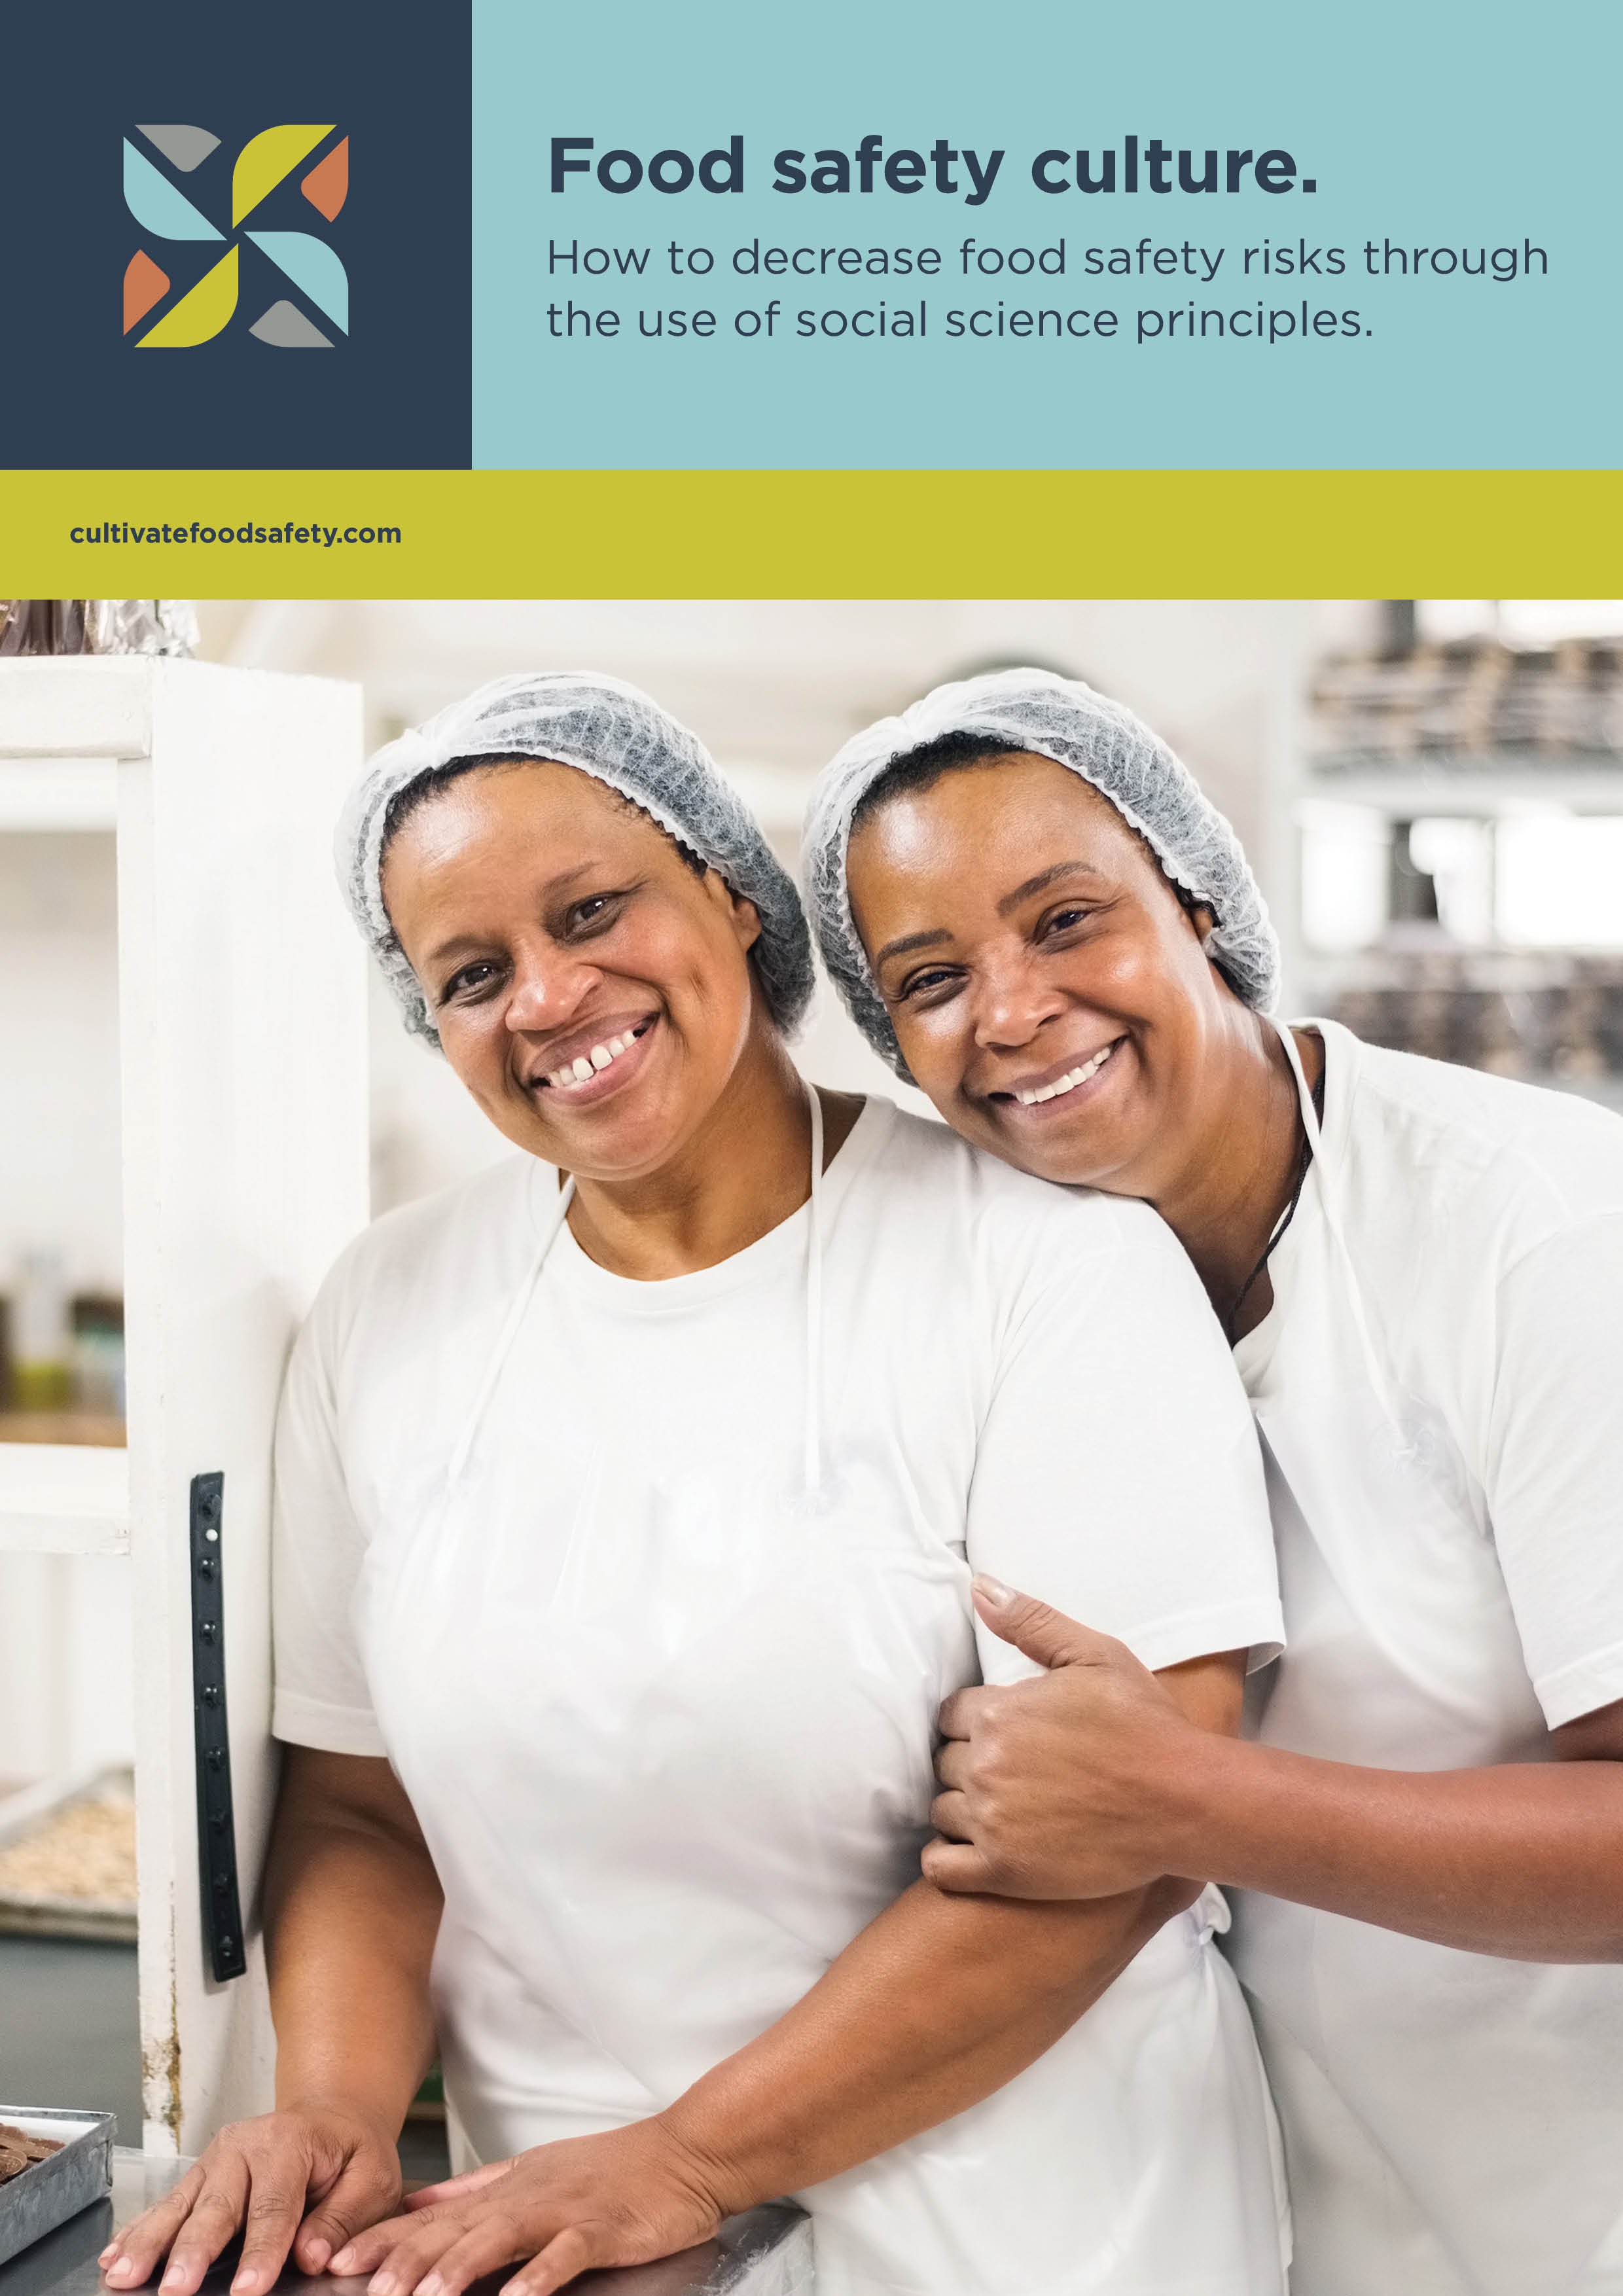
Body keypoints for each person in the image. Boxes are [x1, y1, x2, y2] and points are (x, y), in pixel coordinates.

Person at [105, 672, 1290, 2296]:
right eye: (470, 971)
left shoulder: (1048, 1271)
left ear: (731, 897)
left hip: (1038, 2226)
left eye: (593, 908)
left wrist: (689, 2157)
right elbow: (362, 1807)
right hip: (572, 2243)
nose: (546, 993)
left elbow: (1131, 1844)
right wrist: (333, 2107)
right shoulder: (389, 1307)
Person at [803, 664, 1623, 2296]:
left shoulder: (1535, 1231)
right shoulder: (1014, 1296)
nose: (1014, 1010)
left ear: (1200, 899)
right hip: (1292, 2213)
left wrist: (1186, 1800)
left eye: (1062, 920)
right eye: (931, 976)